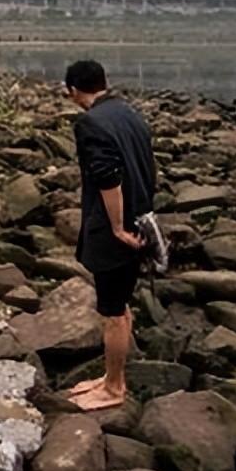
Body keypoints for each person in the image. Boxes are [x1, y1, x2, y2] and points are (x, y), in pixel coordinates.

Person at [62, 59, 156, 411]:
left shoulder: (90, 122)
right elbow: (146, 165)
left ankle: (114, 388)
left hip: (117, 230)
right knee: (122, 306)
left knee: (114, 312)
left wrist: (117, 227)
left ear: (72, 90)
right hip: (140, 219)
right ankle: (110, 376)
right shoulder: (128, 112)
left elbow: (108, 177)